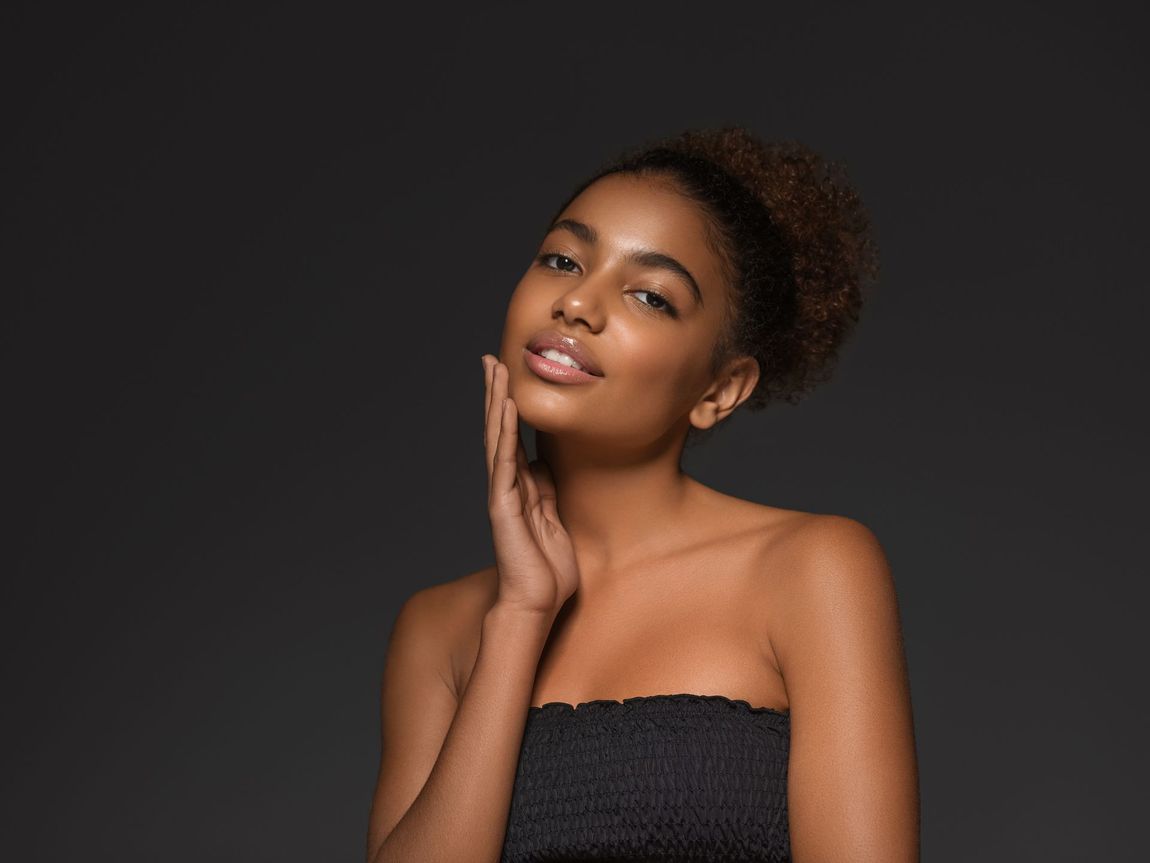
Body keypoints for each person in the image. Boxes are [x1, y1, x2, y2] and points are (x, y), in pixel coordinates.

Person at [364, 126, 920, 862]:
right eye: (562, 259)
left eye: (650, 297)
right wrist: (521, 617)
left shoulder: (813, 568)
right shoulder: (439, 628)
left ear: (720, 390)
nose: (577, 304)